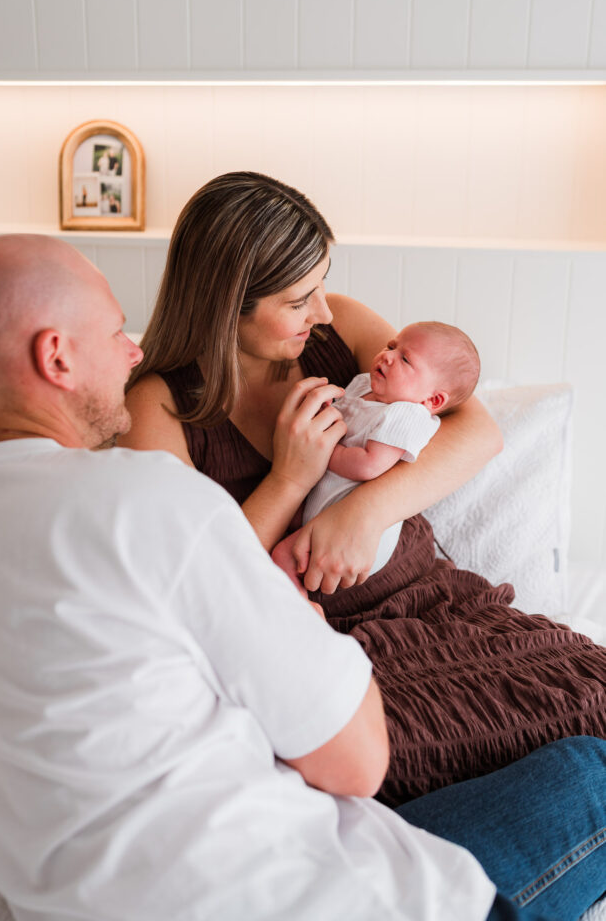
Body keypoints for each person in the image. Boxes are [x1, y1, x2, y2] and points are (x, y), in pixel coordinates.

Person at [0, 233, 604, 921]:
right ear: (56, 356)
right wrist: (298, 614)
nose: (132, 349)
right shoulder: (144, 496)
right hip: (314, 898)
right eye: (112, 331)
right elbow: (358, 762)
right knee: (590, 774)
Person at [121, 170, 606, 809]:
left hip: (437, 607)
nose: (323, 311)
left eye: (321, 287)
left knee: (589, 692)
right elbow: (188, 585)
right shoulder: (157, 406)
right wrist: (289, 479)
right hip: (317, 641)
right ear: (227, 299)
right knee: (376, 764)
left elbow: (475, 428)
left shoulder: (339, 330)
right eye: (301, 300)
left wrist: (369, 510)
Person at [273, 320, 480, 585]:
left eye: (405, 359)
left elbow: (369, 465)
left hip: (351, 523)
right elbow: (344, 418)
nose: (388, 355)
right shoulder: (364, 385)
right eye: (391, 346)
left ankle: (304, 608)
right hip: (324, 499)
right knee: (282, 536)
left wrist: (323, 448)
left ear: (433, 400)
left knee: (284, 557)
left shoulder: (407, 414)